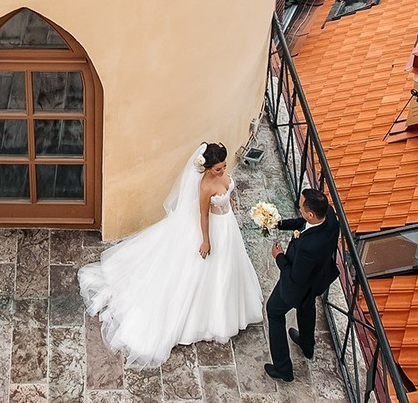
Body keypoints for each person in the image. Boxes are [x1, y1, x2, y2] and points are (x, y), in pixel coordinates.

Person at [78, 142, 263, 368]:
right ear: (207, 169)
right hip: (213, 228)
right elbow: (203, 215)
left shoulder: (223, 175)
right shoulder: (205, 186)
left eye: (224, 167)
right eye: (218, 169)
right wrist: (206, 240)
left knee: (228, 267)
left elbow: (226, 191)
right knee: (207, 270)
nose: (223, 171)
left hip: (228, 226)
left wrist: (229, 201)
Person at [263, 188, 339, 383]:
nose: (299, 208)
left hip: (297, 285)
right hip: (317, 278)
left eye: (301, 207)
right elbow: (304, 224)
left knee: (274, 311)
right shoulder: (329, 216)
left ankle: (283, 368)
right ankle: (307, 344)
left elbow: (294, 277)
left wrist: (278, 256)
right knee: (306, 305)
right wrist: (280, 224)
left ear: (310, 213)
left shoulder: (308, 248)